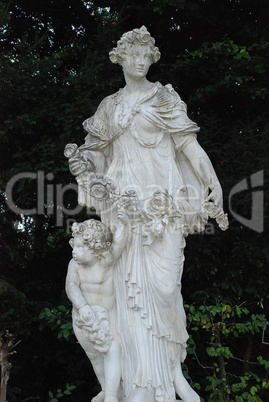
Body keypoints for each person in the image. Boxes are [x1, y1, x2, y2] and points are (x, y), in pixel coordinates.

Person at [65, 26, 228, 402]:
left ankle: (172, 374)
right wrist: (82, 162)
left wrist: (213, 184)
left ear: (151, 59)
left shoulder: (164, 98)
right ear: (120, 58)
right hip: (122, 210)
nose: (139, 61)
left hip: (164, 209)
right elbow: (96, 152)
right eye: (132, 54)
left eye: (145, 55)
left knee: (167, 290)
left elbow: (190, 145)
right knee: (124, 297)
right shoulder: (109, 107)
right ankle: (131, 386)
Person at [66, 208, 129, 402]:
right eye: (73, 246)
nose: (74, 252)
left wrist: (124, 224)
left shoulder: (106, 261)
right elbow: (71, 287)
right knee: (95, 357)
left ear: (96, 248)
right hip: (83, 319)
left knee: (112, 351)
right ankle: (107, 388)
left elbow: (118, 243)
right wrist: (83, 307)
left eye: (79, 247)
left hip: (107, 318)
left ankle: (111, 396)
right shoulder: (74, 265)